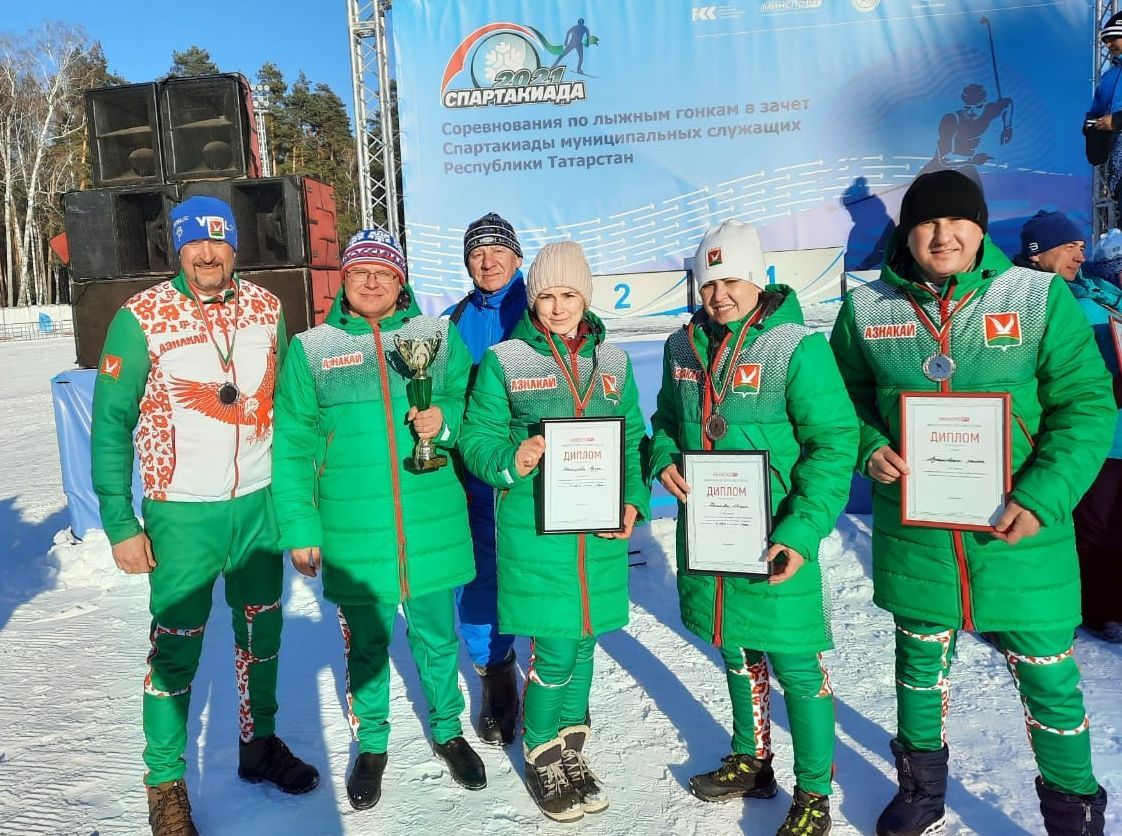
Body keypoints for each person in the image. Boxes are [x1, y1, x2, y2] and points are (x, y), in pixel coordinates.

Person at [829, 170, 1114, 836]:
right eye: (927, 222)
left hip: (1020, 532)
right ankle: (922, 791)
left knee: (1048, 679)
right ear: (908, 232)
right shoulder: (869, 307)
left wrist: (1044, 496)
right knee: (919, 669)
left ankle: (1073, 811)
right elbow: (841, 399)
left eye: (958, 220)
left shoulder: (1036, 296)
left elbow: (1087, 405)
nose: (942, 234)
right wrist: (869, 446)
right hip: (920, 532)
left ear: (981, 228)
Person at [91, 195, 319, 836]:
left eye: (220, 242)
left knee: (261, 640)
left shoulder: (267, 308)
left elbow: (290, 408)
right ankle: (164, 784)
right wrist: (120, 521)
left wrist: (298, 507)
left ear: (235, 248)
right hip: (181, 514)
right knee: (175, 652)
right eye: (196, 243)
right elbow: (110, 425)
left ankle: (258, 746)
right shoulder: (141, 318)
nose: (209, 254)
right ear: (178, 248)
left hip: (258, 507)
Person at [648, 221, 858, 836]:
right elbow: (664, 422)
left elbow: (833, 440)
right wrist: (662, 458)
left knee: (796, 666)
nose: (719, 295)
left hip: (776, 535)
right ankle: (753, 761)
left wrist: (802, 528)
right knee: (736, 651)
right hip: (712, 535)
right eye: (708, 282)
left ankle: (814, 792)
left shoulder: (796, 346)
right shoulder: (680, 347)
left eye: (731, 279)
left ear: (758, 277)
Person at [271, 229, 486, 811]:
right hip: (350, 527)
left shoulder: (437, 337)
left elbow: (474, 411)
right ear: (343, 279)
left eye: (384, 271)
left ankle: (447, 730)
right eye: (360, 270)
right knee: (366, 646)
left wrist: (443, 421)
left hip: (430, 519)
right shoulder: (312, 348)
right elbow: (292, 440)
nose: (372, 281)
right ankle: (372, 745)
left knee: (438, 637)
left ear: (401, 280)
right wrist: (300, 527)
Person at [459, 241, 648, 822]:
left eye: (569, 295)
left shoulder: (611, 361)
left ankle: (572, 747)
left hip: (599, 536)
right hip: (537, 533)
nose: (559, 306)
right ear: (532, 297)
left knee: (586, 642)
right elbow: (475, 437)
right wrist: (511, 460)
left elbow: (635, 439)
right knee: (558, 648)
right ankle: (542, 751)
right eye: (547, 294)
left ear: (586, 297)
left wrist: (633, 502)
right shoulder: (506, 358)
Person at [1016, 211, 1122, 644]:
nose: (1079, 252)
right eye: (1068, 245)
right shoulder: (1032, 297)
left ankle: (1105, 602)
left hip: (1113, 427)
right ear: (1038, 254)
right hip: (1084, 433)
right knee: (1093, 524)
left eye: (1081, 244)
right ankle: (1092, 607)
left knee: (1113, 522)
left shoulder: (1101, 292)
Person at [445, 212, 527, 745]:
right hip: (476, 476)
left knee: (545, 577)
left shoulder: (544, 305)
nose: (488, 260)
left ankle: (556, 684)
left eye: (498, 250)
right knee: (477, 579)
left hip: (534, 472)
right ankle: (496, 677)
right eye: (477, 252)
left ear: (518, 258)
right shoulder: (452, 320)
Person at [1088, 13, 1122, 217]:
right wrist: (1091, 128)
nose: (1108, 44)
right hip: (1118, 176)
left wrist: (1117, 120)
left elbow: (1114, 120)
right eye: (1106, 40)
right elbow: (1095, 113)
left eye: (1114, 38)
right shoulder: (1109, 77)